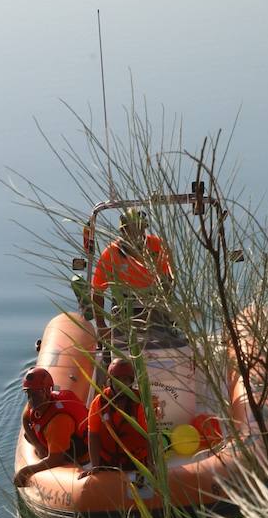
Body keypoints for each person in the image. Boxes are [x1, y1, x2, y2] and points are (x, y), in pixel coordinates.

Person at [91, 208, 175, 342]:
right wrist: (101, 326)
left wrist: (165, 303)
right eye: (131, 229)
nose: (136, 233)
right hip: (123, 309)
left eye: (140, 228)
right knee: (119, 346)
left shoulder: (157, 246)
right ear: (123, 231)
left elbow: (168, 279)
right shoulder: (111, 253)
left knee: (165, 340)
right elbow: (97, 291)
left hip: (155, 307)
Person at [14, 367, 87, 488]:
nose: (31, 399)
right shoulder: (35, 404)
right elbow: (25, 419)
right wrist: (38, 446)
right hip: (55, 444)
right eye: (29, 394)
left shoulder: (58, 421)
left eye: (36, 394)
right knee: (28, 435)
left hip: (78, 456)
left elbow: (56, 460)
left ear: (47, 391)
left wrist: (26, 471)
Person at [80, 357, 149, 477]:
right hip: (108, 461)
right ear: (110, 381)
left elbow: (148, 437)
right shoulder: (99, 402)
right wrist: (95, 466)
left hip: (136, 462)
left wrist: (151, 464)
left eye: (125, 380)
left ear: (131, 381)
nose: (120, 384)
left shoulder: (140, 403)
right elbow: (93, 435)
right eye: (116, 379)